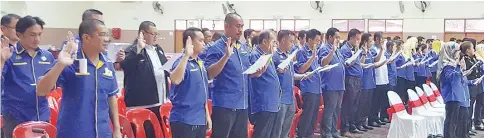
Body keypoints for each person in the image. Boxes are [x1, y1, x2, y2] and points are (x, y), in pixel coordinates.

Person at [36, 19, 122, 138]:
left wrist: (117, 129)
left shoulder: (107, 64)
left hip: (103, 132)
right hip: (74, 132)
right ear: (87, 38)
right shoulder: (70, 61)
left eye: (107, 35)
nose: (107, 39)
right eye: (102, 35)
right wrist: (60, 64)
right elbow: (41, 90)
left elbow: (111, 96)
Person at [203, 13, 263, 138]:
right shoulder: (217, 48)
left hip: (242, 104)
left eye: (242, 26)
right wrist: (226, 56)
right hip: (225, 105)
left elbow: (245, 72)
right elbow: (209, 73)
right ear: (226, 26)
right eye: (237, 26)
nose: (240, 30)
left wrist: (256, 73)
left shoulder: (243, 47)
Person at [1, 16, 53, 138]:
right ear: (19, 34)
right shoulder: (9, 55)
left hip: (42, 115)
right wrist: (1, 61)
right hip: (16, 116)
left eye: (39, 34)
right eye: (32, 35)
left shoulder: (47, 56)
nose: (37, 39)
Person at [116, 21, 169, 138]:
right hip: (142, 103)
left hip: (160, 101)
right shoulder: (131, 50)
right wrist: (139, 49)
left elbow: (166, 67)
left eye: (157, 34)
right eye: (152, 34)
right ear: (142, 33)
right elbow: (128, 66)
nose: (155, 37)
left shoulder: (157, 49)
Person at [169, 27, 211, 138]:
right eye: (200, 40)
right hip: (184, 120)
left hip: (199, 119)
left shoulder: (200, 63)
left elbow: (203, 93)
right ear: (190, 42)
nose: (204, 43)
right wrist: (186, 55)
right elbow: (175, 79)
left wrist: (206, 115)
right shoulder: (181, 62)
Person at [270, 30, 308, 138]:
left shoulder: (288, 56)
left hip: (290, 99)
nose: (293, 44)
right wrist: (278, 71)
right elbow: (271, 76)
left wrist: (303, 76)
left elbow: (291, 75)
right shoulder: (274, 57)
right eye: (291, 41)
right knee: (277, 129)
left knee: (286, 128)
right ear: (283, 40)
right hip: (280, 99)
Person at [438, 41, 476, 138]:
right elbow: (450, 78)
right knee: (451, 122)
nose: (458, 54)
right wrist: (458, 67)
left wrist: (463, 73)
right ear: (450, 52)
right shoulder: (447, 66)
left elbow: (459, 79)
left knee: (455, 122)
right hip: (451, 96)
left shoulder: (453, 65)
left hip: (457, 95)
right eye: (456, 52)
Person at [248, 30, 279, 138]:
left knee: (268, 133)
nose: (275, 45)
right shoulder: (256, 55)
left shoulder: (267, 55)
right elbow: (253, 76)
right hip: (263, 101)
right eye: (274, 42)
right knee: (261, 133)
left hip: (271, 101)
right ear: (265, 42)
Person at [294, 29, 322, 138]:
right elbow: (301, 69)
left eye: (320, 41)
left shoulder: (314, 51)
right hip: (308, 88)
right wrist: (312, 58)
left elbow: (314, 68)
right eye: (317, 40)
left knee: (314, 115)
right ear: (310, 39)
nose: (318, 43)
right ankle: (302, 135)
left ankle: (309, 134)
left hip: (316, 87)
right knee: (307, 114)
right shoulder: (302, 51)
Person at [318, 27, 345, 137]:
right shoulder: (325, 48)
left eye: (339, 37)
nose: (338, 40)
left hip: (339, 85)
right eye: (336, 37)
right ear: (329, 37)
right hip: (330, 85)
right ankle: (326, 132)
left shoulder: (337, 50)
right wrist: (332, 51)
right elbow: (323, 62)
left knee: (336, 110)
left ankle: (334, 130)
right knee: (329, 111)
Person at [339, 29, 365, 135]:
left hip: (358, 79)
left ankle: (352, 125)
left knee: (355, 104)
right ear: (351, 38)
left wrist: (362, 54)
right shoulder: (345, 49)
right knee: (348, 105)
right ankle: (345, 128)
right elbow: (346, 64)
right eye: (357, 39)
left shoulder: (355, 48)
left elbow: (359, 63)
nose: (358, 41)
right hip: (350, 79)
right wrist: (355, 55)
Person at [460, 41, 484, 131]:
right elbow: (465, 73)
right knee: (469, 108)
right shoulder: (464, 59)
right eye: (472, 48)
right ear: (467, 50)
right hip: (470, 85)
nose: (474, 50)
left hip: (477, 84)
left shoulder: (474, 58)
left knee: (479, 103)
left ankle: (473, 125)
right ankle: (467, 128)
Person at [368, 32, 390, 126]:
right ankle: (372, 119)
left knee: (380, 100)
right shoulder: (373, 49)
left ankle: (377, 117)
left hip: (384, 77)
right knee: (375, 101)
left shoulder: (382, 49)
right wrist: (381, 49)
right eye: (381, 38)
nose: (382, 40)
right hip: (377, 79)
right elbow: (376, 60)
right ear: (376, 39)